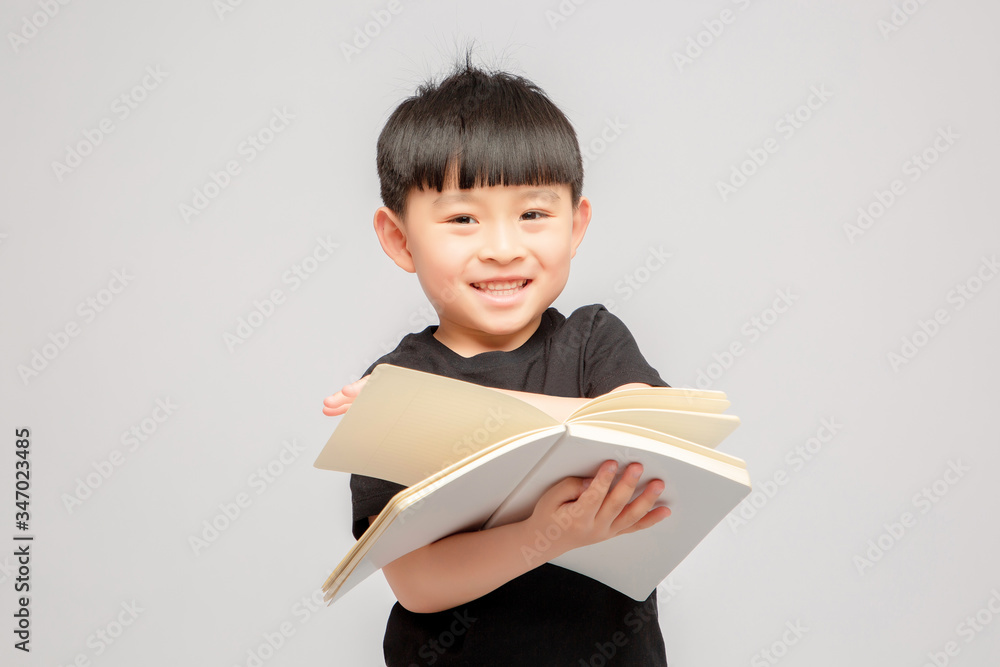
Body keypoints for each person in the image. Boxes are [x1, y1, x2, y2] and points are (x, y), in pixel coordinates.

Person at [323, 50, 674, 666]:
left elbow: (651, 426)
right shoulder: (396, 389)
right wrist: (550, 534)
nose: (503, 249)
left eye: (534, 214)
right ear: (399, 239)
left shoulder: (593, 341)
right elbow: (418, 584)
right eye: (462, 219)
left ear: (576, 224)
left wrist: (464, 412)